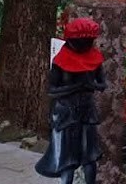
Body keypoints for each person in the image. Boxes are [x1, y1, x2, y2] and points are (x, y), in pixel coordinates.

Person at [36, 17, 106, 184]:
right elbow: (52, 90)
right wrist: (75, 87)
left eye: (89, 41)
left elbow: (102, 84)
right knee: (66, 159)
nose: (86, 44)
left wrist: (91, 85)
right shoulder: (60, 61)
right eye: (83, 41)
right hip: (64, 112)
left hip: (86, 110)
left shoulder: (95, 58)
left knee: (90, 155)